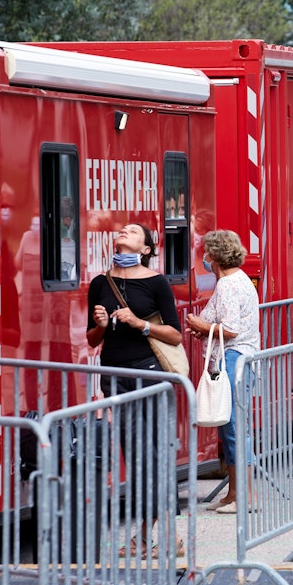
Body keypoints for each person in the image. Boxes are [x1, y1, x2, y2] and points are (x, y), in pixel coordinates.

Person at [86, 223, 184, 558]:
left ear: (145, 249)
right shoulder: (100, 283)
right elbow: (92, 339)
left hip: (150, 373)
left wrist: (141, 324)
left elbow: (175, 334)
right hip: (115, 374)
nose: (123, 232)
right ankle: (144, 538)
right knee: (134, 455)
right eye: (122, 230)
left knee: (154, 454)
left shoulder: (156, 282)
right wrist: (99, 326)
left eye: (132, 232)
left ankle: (166, 536)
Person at [185, 230, 260, 514]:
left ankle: (245, 496)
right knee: (230, 427)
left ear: (214, 256)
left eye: (206, 253)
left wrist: (202, 327)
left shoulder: (228, 284)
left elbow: (230, 330)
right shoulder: (239, 280)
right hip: (240, 357)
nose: (203, 258)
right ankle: (234, 493)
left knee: (234, 429)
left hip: (233, 358)